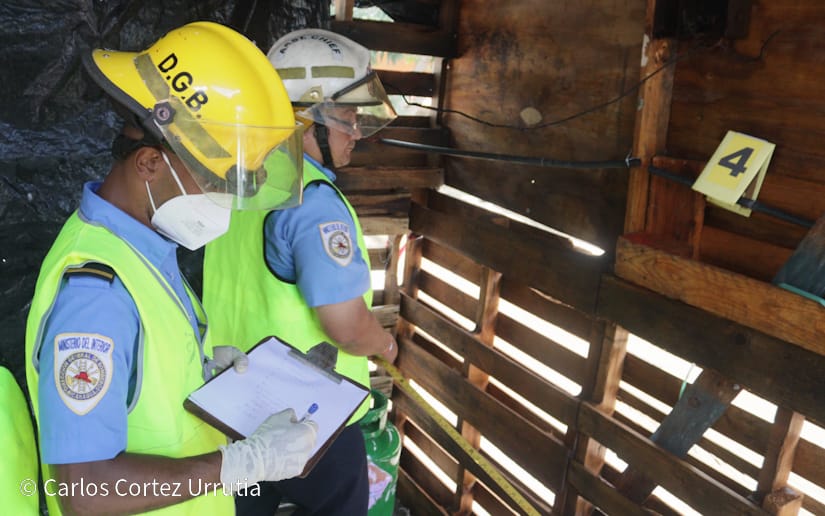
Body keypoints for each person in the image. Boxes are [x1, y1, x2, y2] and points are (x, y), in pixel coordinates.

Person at [24, 21, 316, 516]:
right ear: (148, 164)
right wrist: (243, 464)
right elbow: (83, 490)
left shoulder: (142, 248)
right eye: (216, 180)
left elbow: (140, 389)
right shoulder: (96, 294)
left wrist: (198, 374)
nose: (226, 201)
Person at [203, 28, 399, 515]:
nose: (356, 132)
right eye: (349, 118)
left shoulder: (240, 182)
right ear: (308, 119)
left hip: (233, 406)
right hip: (314, 418)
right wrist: (386, 345)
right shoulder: (313, 202)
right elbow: (346, 327)